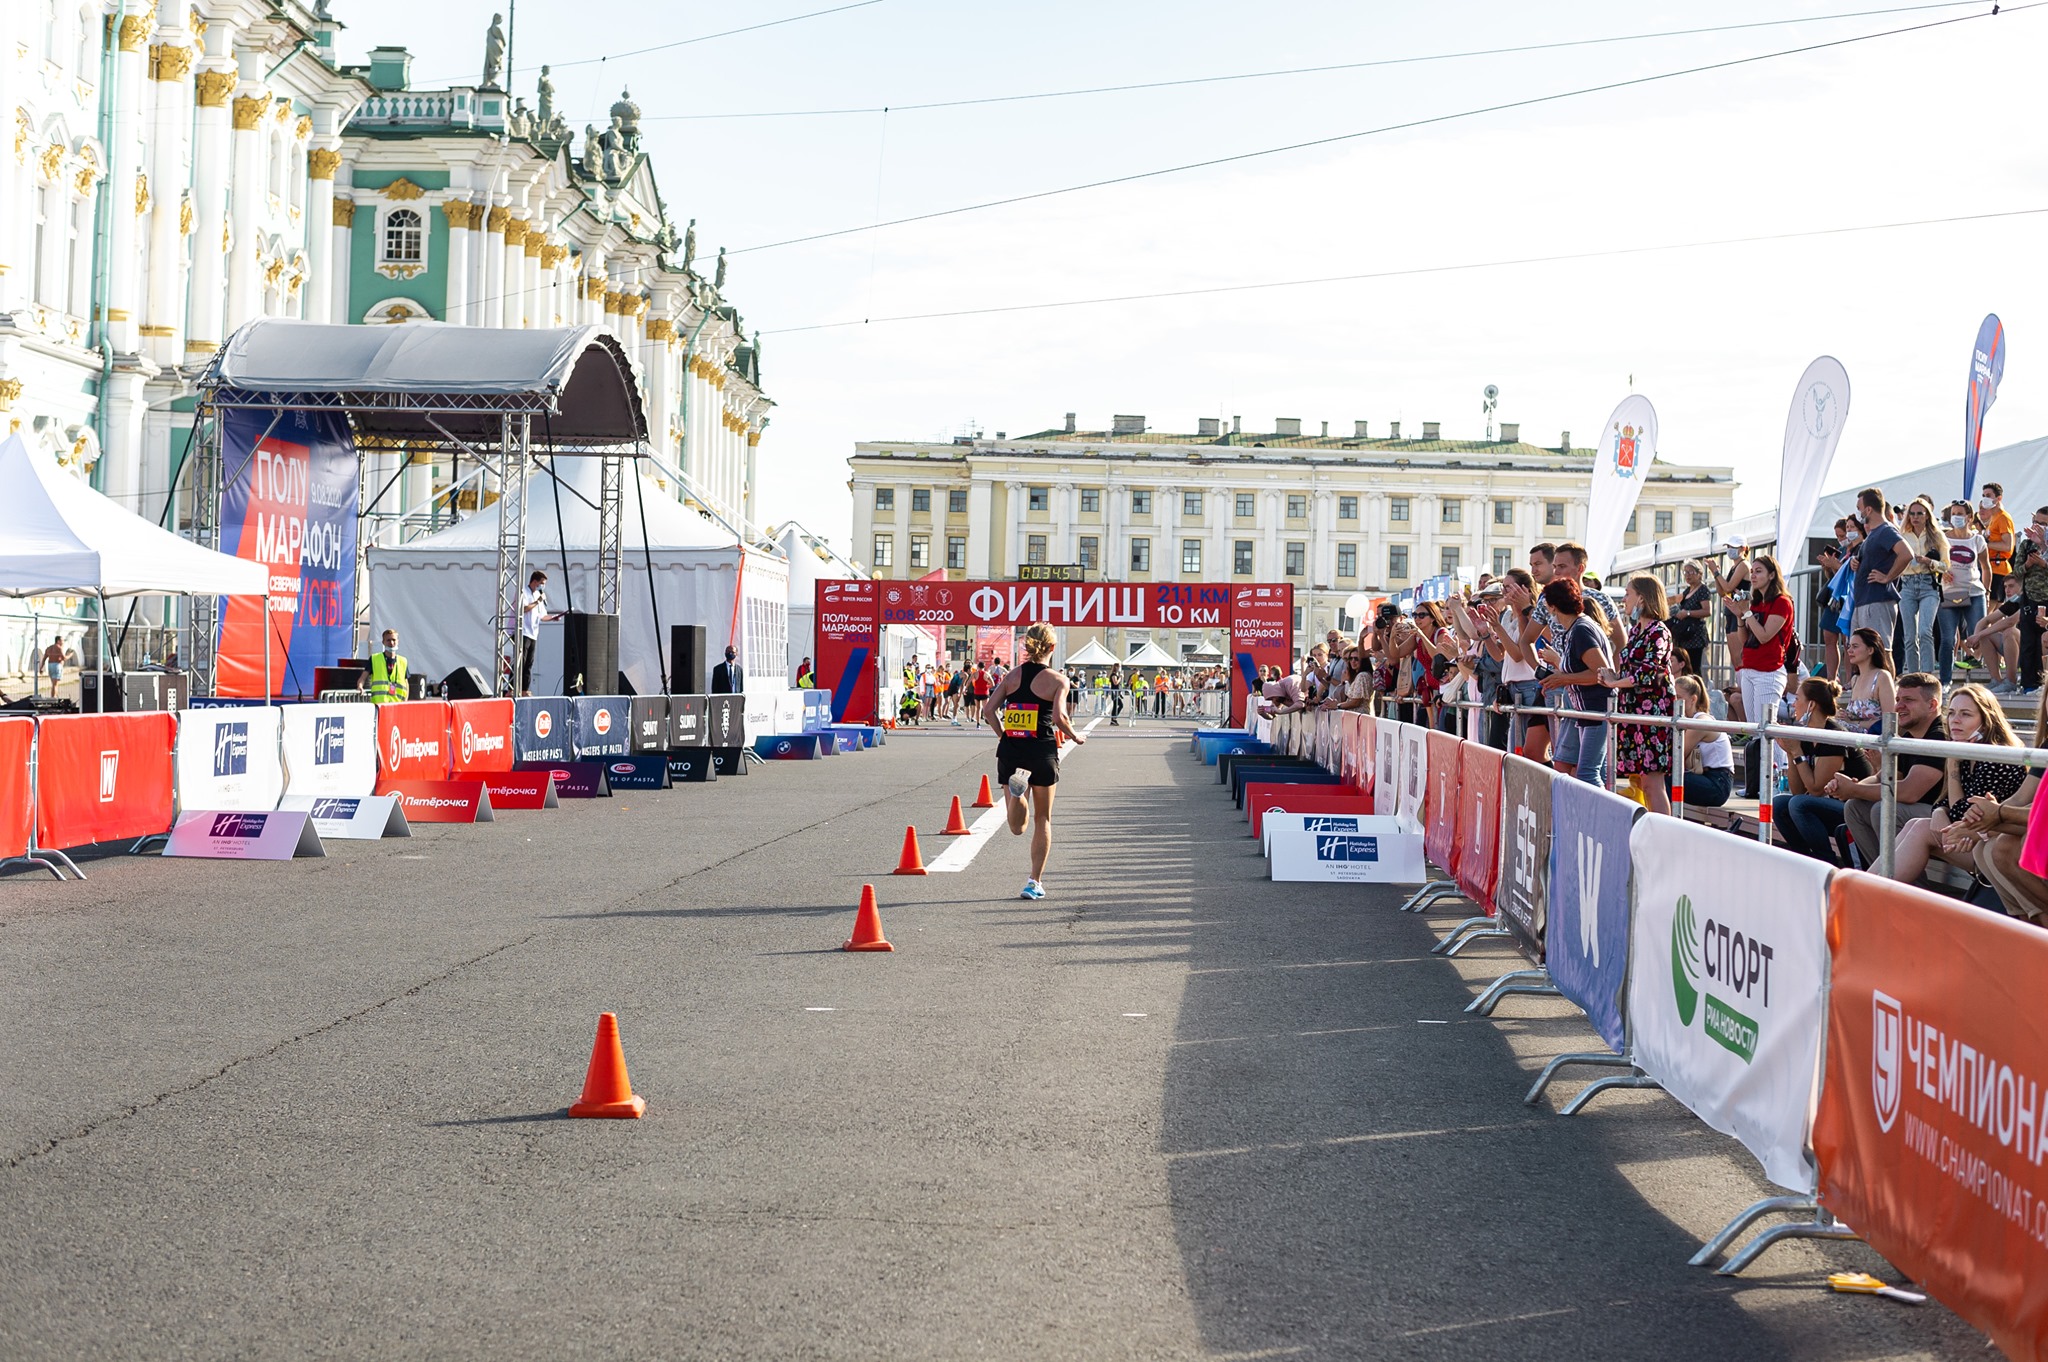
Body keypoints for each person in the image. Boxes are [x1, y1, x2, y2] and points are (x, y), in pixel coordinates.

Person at [982, 622, 1085, 901]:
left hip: (1011, 750)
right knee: (1043, 819)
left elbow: (988, 709)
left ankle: (1018, 796)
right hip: (1041, 751)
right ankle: (1034, 881)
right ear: (1052, 648)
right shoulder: (1058, 680)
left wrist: (1003, 735)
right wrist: (1075, 736)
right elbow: (1060, 718)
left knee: (1016, 827)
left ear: (1027, 647)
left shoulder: (1012, 676)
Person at [1889, 682, 2026, 884]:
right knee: (1915, 824)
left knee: (1920, 829)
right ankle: (1868, 888)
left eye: (1965, 714)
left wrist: (1952, 763)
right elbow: (1944, 801)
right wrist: (1938, 812)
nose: (1955, 720)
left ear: (1986, 721)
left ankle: (1868, 893)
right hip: (1972, 838)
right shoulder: (1966, 750)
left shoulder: (1997, 758)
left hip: (1998, 843)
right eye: (1951, 713)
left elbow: (1963, 814)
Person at [1829, 672, 1947, 869]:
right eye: (1898, 699)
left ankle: (1907, 886)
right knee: (1854, 807)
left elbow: (1910, 792)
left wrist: (1854, 789)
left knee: (1884, 809)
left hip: (1945, 816)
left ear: (1932, 705)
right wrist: (1847, 787)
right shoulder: (1909, 735)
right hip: (1918, 815)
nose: (1899, 706)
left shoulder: (1939, 735)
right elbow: (1884, 777)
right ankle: (1880, 875)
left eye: (1908, 700)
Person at [1771, 677, 1870, 865]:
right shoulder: (1807, 732)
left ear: (1811, 705)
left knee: (1800, 805)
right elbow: (1798, 791)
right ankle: (1805, 861)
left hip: (1856, 808)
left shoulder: (1832, 734)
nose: (1793, 703)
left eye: (1798, 698)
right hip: (1831, 805)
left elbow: (1816, 789)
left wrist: (1797, 751)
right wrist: (1792, 752)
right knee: (1781, 804)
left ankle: (1824, 863)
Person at [1603, 574, 1675, 814]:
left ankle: (1663, 833)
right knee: (1645, 780)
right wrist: (1613, 677)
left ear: (1642, 599)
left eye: (1627, 594)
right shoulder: (1636, 631)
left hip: (1652, 712)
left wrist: (1616, 682)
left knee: (1653, 781)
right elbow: (1631, 671)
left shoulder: (1659, 631)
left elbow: (1649, 673)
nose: (1624, 600)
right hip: (1635, 711)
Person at [1536, 577, 1611, 786]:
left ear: (1552, 606)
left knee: (1587, 773)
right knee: (1590, 771)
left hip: (1596, 709)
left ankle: (1599, 818)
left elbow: (1602, 672)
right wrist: (1560, 673)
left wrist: (1563, 678)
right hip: (1588, 710)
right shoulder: (1576, 628)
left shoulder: (1581, 629)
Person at [1733, 552, 1795, 741]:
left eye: (1758, 571)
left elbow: (1765, 636)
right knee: (1755, 730)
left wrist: (1746, 612)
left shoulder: (1782, 602)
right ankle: (1762, 769)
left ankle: (1778, 768)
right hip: (1749, 669)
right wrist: (1740, 616)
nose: (1753, 575)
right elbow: (1745, 640)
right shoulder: (1756, 603)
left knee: (1766, 727)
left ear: (1771, 575)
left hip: (1768, 672)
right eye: (1752, 571)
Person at [1895, 497, 1949, 675]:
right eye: (1912, 513)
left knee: (1925, 631)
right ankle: (1912, 675)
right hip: (1907, 584)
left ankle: (1927, 674)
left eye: (1920, 513)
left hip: (1928, 583)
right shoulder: (1902, 536)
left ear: (1927, 515)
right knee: (1910, 637)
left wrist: (1929, 562)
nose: (1915, 517)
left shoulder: (1937, 535)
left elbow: (1946, 565)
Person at [1936, 500, 1987, 685]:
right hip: (1949, 593)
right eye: (1953, 513)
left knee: (1979, 634)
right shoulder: (1942, 538)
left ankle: (1980, 675)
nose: (1956, 517)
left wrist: (1986, 591)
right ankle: (1945, 682)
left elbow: (1986, 567)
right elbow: (1933, 563)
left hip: (1974, 592)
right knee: (1948, 639)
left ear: (1970, 517)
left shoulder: (1977, 539)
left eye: (1960, 514)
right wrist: (1941, 571)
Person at [1851, 486, 1909, 638]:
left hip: (1876, 601)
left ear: (1868, 510)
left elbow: (1906, 554)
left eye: (1859, 508)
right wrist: (1856, 563)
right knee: (1861, 652)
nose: (1858, 513)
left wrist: (1887, 577)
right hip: (1864, 601)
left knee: (1881, 651)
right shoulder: (1874, 533)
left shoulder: (1886, 530)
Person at [1675, 674, 1736, 807]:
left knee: (1665, 778)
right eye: (1672, 697)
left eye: (1679, 698)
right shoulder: (1687, 720)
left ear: (1693, 699)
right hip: (1705, 777)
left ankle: (1665, 820)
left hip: (1718, 783)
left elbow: (1677, 755)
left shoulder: (1701, 721)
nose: (1674, 701)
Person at [2009, 506, 2048, 697]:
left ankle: (2044, 683)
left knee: (2045, 642)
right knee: (2028, 643)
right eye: (2036, 522)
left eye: (2043, 524)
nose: (2038, 527)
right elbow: (2015, 572)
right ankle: (2028, 684)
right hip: (2029, 599)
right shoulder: (2026, 545)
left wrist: (2044, 563)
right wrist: (2028, 564)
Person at [1837, 627, 1895, 733]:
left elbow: (1890, 721)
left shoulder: (1882, 676)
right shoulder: (1855, 679)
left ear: (1870, 650)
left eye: (1855, 646)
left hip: (1873, 743)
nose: (1849, 650)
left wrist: (1852, 723)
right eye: (1849, 646)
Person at [517, 571, 561, 697]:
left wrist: (553, 617)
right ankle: (513, 687)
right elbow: (523, 609)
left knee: (529, 663)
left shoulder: (538, 595)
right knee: (521, 661)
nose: (543, 586)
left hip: (533, 633)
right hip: (522, 631)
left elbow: (543, 616)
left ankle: (525, 689)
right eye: (542, 583)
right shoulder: (524, 592)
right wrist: (537, 601)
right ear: (534, 581)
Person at [1670, 560, 1714, 679]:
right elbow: (1675, 600)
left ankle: (1697, 692)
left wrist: (1688, 613)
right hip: (1684, 635)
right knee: (1684, 668)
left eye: (1691, 572)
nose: (1687, 575)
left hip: (1695, 636)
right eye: (1685, 572)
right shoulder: (1687, 590)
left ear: (1699, 574)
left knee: (1694, 667)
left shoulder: (1702, 590)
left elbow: (1707, 611)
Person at [1981, 481, 2016, 600]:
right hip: (1990, 567)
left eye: (1988, 495)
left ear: (1998, 498)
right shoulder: (1993, 517)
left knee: (1991, 609)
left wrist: (1985, 544)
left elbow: (2008, 546)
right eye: (1984, 495)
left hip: (1999, 568)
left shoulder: (2003, 518)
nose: (1985, 498)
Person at [367, 629, 408, 704]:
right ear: (383, 642)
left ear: (398, 641)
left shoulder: (403, 661)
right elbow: (363, 677)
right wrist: (360, 685)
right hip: (379, 705)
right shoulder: (374, 658)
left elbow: (406, 683)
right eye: (388, 640)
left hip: (397, 704)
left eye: (394, 640)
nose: (391, 643)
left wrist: (405, 701)